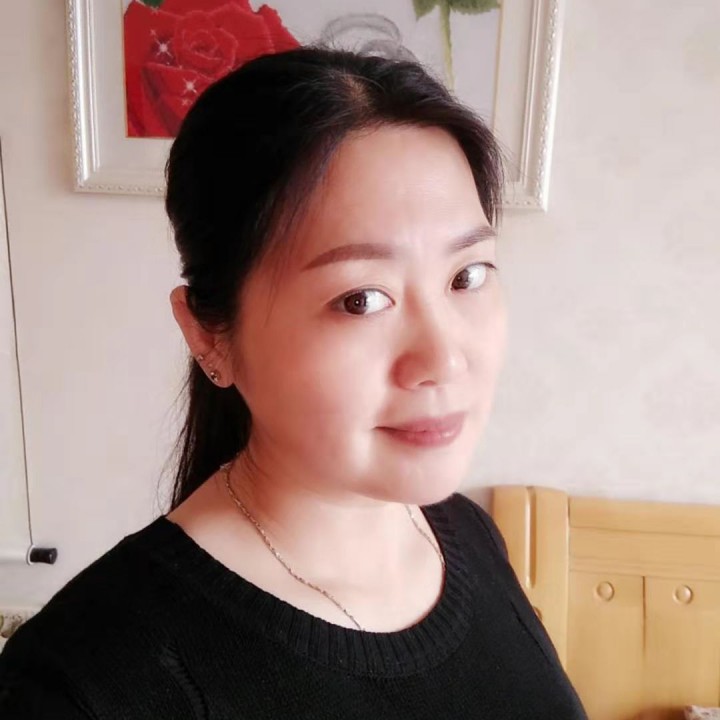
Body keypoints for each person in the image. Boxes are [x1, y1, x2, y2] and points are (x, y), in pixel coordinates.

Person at [0, 47, 587, 719]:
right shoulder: (86, 682)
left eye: (467, 276)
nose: (444, 359)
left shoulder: (470, 535)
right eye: (361, 299)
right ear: (209, 334)